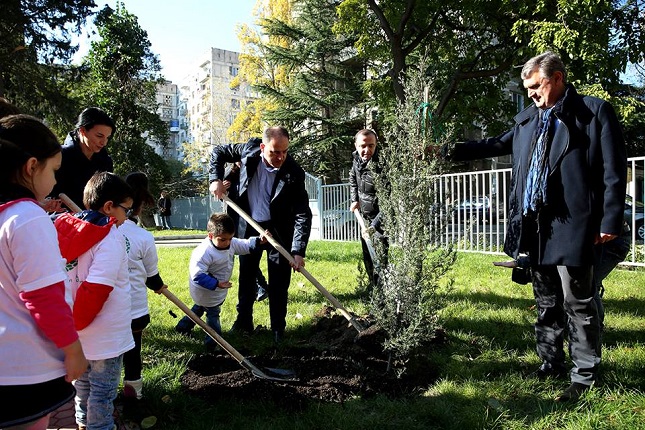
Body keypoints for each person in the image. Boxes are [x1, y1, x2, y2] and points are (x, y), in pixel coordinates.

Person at [445, 51, 627, 402]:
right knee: (546, 300)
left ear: (557, 78)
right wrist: (444, 151)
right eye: (527, 87)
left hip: (576, 225)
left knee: (579, 302)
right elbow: (494, 144)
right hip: (537, 227)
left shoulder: (592, 112)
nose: (530, 93)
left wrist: (609, 220)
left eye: (535, 85)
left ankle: (584, 376)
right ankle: (550, 362)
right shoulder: (528, 120)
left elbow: (613, 172)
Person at [0, 115, 88, 430]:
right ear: (31, 166)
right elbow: (44, 296)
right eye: (54, 171)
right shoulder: (27, 217)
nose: (55, 182)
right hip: (27, 370)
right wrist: (73, 348)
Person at [209, 126, 312, 344]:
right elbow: (218, 152)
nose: (280, 157)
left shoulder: (294, 172)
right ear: (263, 147)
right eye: (275, 152)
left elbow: (303, 212)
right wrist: (215, 179)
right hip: (249, 224)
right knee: (247, 275)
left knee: (279, 280)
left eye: (284, 152)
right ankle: (244, 321)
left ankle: (278, 329)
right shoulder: (248, 151)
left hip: (279, 230)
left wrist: (298, 250)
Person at [54, 172, 135, 430]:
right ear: (109, 207)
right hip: (105, 336)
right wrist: (78, 324)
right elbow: (96, 289)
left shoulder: (64, 229)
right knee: (103, 392)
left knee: (83, 385)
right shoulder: (110, 238)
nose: (127, 217)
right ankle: (99, 427)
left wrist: (71, 329)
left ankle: (81, 424)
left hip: (76, 334)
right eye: (127, 210)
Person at [174, 213, 266, 350]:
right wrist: (216, 283)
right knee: (213, 316)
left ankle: (182, 327)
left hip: (216, 291)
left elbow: (243, 244)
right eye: (223, 240)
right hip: (205, 291)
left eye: (230, 238)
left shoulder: (229, 243)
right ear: (211, 236)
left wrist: (258, 241)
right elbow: (197, 275)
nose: (227, 243)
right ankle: (213, 342)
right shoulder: (204, 252)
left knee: (198, 308)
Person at [120, 172, 168, 400]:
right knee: (132, 351)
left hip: (104, 310)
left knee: (105, 354)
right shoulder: (142, 237)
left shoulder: (101, 232)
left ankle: (100, 394)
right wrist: (159, 286)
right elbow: (152, 277)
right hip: (134, 310)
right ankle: (133, 391)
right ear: (139, 207)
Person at [52, 107, 115, 210]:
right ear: (82, 131)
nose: (104, 142)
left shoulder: (105, 161)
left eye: (107, 138)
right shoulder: (59, 157)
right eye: (99, 136)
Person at [223, 161, 269, 302]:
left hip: (251, 220)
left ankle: (261, 286)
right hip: (235, 220)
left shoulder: (255, 170)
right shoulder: (229, 173)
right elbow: (220, 191)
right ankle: (259, 286)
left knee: (247, 254)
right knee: (242, 254)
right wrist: (222, 188)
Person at [349, 129, 388, 289]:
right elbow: (352, 177)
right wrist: (354, 199)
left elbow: (388, 202)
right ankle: (373, 289)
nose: (367, 150)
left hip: (381, 221)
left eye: (371, 146)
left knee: (379, 256)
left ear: (376, 144)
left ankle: (383, 294)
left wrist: (374, 226)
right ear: (356, 145)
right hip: (364, 217)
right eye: (363, 146)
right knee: (367, 255)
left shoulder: (382, 165)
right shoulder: (357, 159)